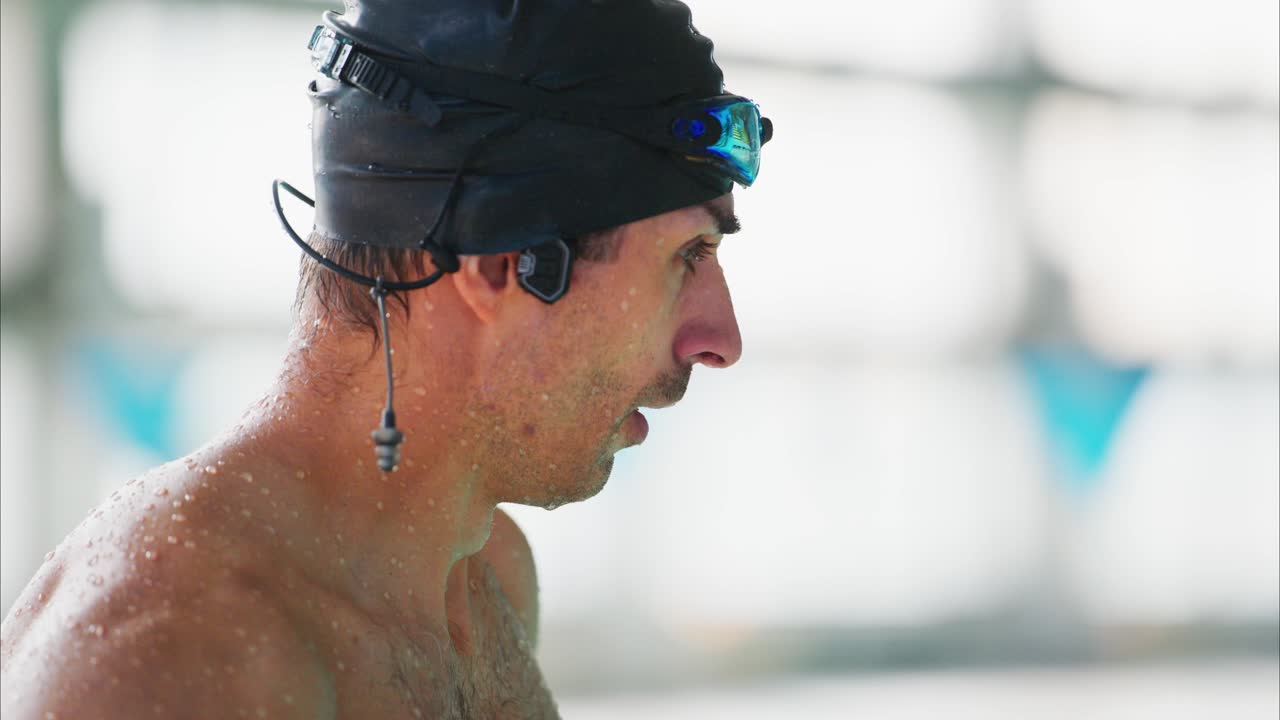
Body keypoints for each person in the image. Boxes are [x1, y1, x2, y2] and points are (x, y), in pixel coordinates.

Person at [0, 0, 771, 717]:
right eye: (687, 255)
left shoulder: (487, 571)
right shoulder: (178, 657)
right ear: (502, 262)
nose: (720, 338)